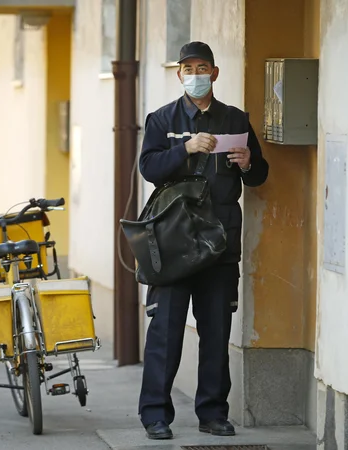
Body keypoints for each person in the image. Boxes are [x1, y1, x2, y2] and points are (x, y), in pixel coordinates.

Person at [137, 41, 269, 440]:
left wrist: (249, 164)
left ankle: (213, 413)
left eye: (202, 67)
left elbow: (259, 174)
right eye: (187, 68)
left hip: (220, 243)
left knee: (215, 332)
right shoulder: (162, 120)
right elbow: (149, 167)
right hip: (174, 242)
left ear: (214, 73)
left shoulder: (235, 120)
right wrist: (185, 148)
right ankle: (156, 415)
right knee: (166, 331)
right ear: (179, 74)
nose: (194, 74)